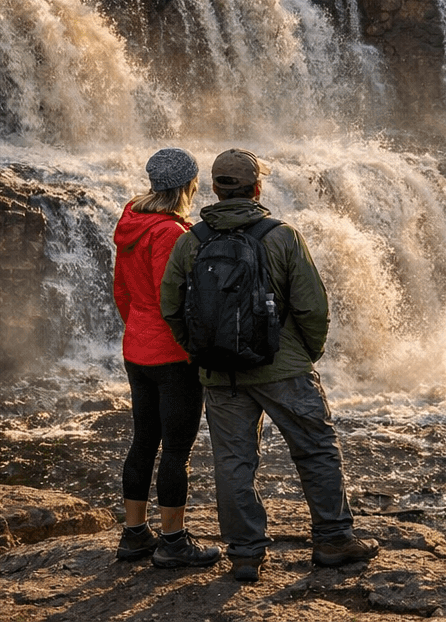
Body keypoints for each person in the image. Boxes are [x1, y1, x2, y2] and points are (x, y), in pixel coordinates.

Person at [161, 148, 378, 583]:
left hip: (220, 374)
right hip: (285, 369)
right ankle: (333, 539)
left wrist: (199, 353)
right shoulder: (282, 236)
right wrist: (306, 354)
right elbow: (313, 307)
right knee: (315, 448)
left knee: (233, 461)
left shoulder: (191, 240)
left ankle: (244, 555)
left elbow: (170, 307)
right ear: (257, 188)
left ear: (215, 189)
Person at [111, 147, 221, 569]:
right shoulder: (171, 233)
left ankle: (134, 533)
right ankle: (173, 541)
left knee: (144, 440)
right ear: (188, 185)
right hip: (170, 355)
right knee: (176, 449)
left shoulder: (131, 221)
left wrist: (137, 329)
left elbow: (123, 290)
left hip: (136, 348)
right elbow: (171, 299)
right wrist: (192, 346)